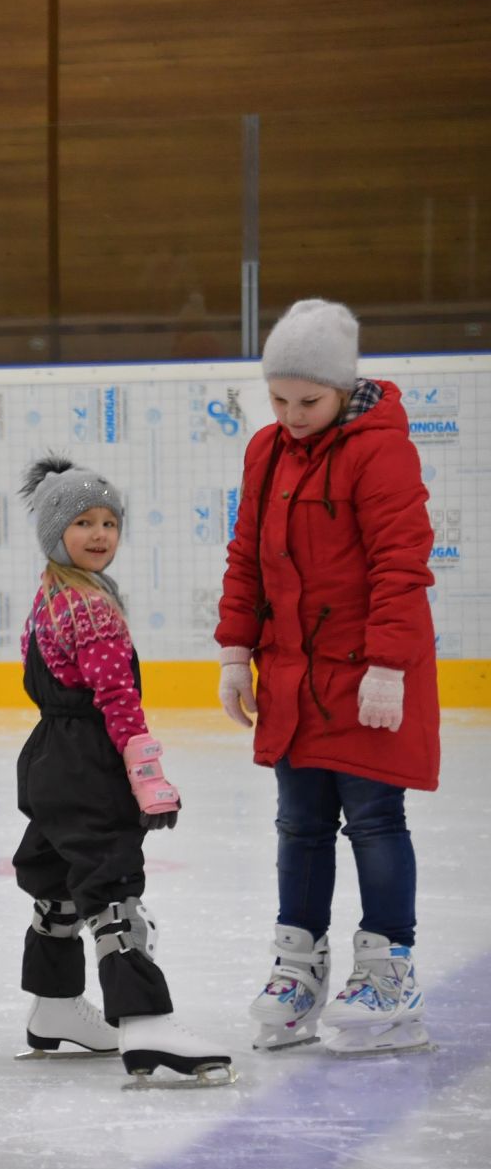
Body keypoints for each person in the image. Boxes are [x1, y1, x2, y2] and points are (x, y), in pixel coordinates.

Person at [218, 299, 439, 1056]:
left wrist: (388, 663)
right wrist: (233, 652)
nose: (292, 414)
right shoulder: (266, 451)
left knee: (375, 819)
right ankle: (298, 969)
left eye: (307, 400)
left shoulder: (381, 452)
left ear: (343, 388)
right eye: (278, 399)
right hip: (292, 677)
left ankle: (388, 971)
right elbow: (245, 556)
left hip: (367, 675)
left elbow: (400, 564)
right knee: (299, 824)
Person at [13, 458, 235, 1089]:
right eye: (83, 521)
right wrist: (146, 775)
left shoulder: (52, 594)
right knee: (111, 884)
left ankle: (55, 1004)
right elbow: (118, 701)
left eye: (109, 521)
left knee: (58, 877)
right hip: (88, 761)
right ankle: (144, 1021)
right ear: (57, 532)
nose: (100, 533)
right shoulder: (93, 608)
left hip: (49, 759)